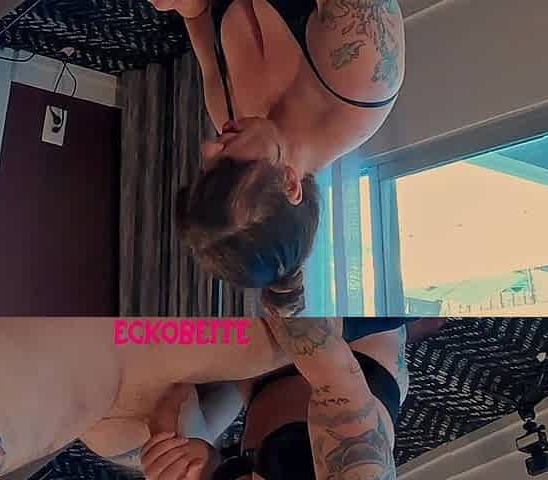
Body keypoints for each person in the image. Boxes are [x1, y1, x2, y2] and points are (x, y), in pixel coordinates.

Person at [150, 0, 406, 316]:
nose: (209, 148)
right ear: (289, 183)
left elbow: (197, 12)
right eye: (229, 164)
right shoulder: (364, 77)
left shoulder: (227, 115)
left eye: (206, 171)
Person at [0, 318, 442, 480]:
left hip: (249, 393)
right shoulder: (357, 470)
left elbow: (174, 405)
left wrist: (182, 451)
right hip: (349, 360)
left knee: (113, 436)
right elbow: (327, 361)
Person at [138, 318, 446, 480]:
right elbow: (335, 371)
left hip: (258, 387)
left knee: (120, 428)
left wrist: (180, 456)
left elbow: (171, 399)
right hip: (355, 357)